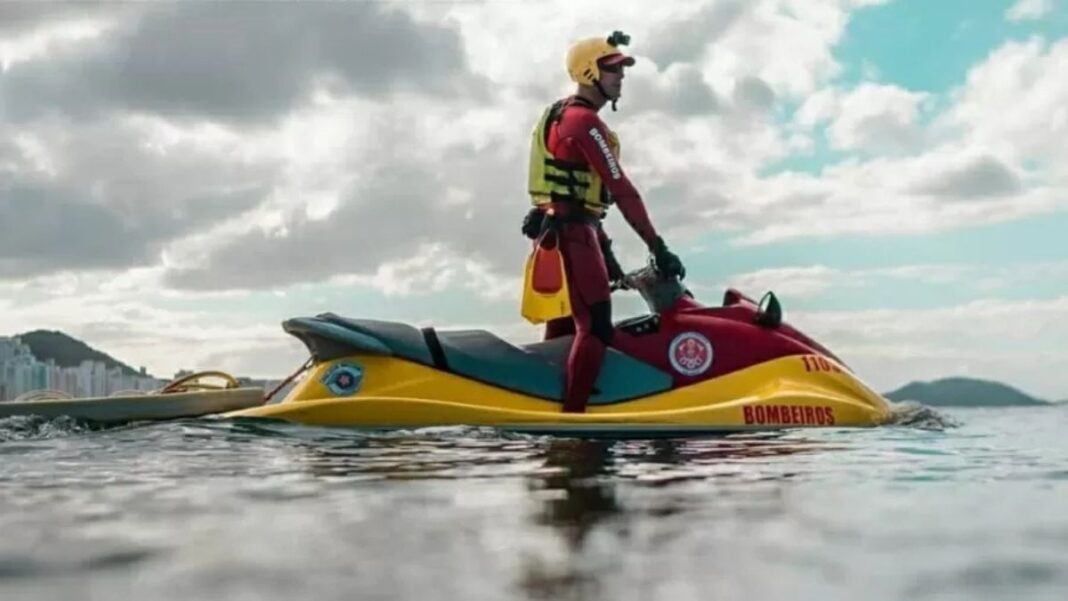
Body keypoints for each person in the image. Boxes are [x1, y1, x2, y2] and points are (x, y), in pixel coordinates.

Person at [523, 31, 685, 413]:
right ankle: (573, 416)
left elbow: (582, 203)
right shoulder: (583, 121)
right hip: (572, 234)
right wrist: (657, 246)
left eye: (622, 69)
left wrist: (607, 254)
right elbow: (621, 189)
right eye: (612, 69)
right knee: (595, 327)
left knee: (565, 326)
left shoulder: (562, 114)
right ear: (587, 71)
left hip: (567, 230)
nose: (621, 76)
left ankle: (546, 404)